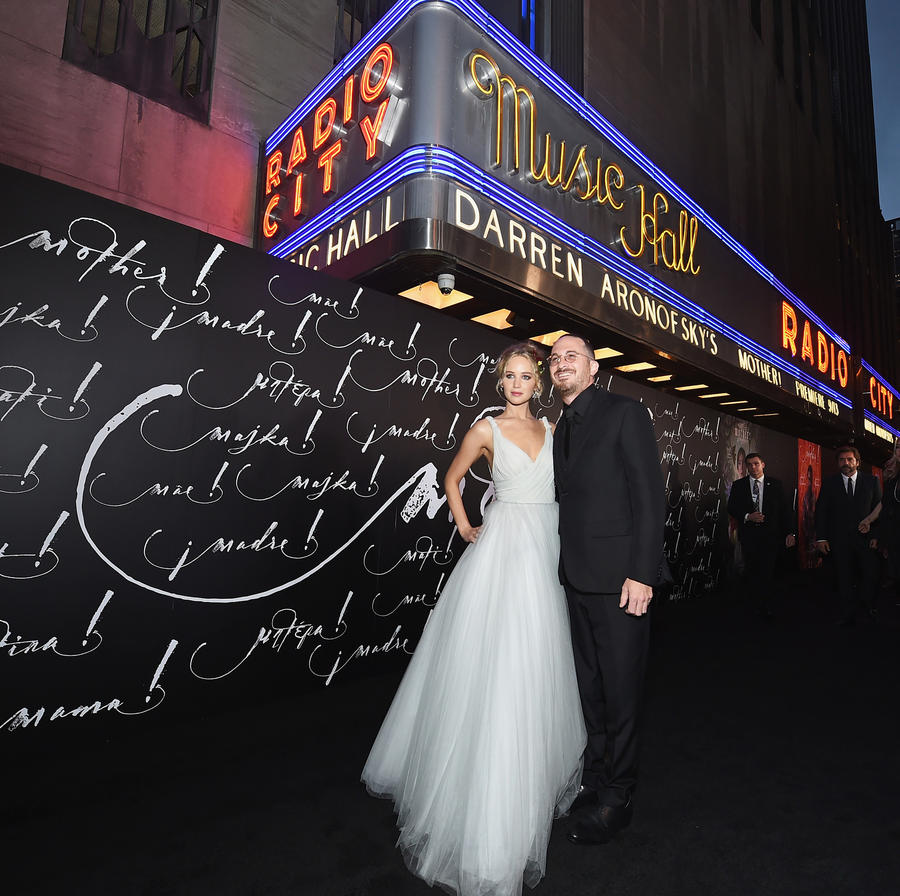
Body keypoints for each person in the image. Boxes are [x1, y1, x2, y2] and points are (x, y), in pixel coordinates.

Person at [362, 343, 586, 896]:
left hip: (547, 549)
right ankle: (488, 805)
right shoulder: (486, 429)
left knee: (538, 662)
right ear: (500, 381)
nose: (517, 383)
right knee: (498, 662)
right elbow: (451, 478)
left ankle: (530, 781)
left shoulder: (556, 431)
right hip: (503, 552)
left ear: (539, 382)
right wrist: (465, 527)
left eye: (526, 375)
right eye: (508, 375)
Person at [548, 333, 665, 846]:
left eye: (571, 356)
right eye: (554, 359)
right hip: (576, 579)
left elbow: (649, 495)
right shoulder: (559, 430)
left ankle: (619, 797)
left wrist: (642, 573)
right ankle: (595, 780)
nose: (560, 363)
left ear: (593, 368)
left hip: (622, 583)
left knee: (621, 693)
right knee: (591, 692)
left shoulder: (625, 412)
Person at [814, 445, 881, 626]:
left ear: (857, 462)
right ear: (838, 463)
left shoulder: (872, 482)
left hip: (866, 541)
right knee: (844, 578)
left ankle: (868, 608)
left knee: (869, 576)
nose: (846, 463)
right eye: (842, 460)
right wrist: (821, 538)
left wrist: (876, 536)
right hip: (839, 541)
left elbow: (879, 511)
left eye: (850, 459)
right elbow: (821, 512)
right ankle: (847, 614)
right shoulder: (829, 483)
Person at [726, 452, 796, 618]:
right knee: (752, 571)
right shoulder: (739, 485)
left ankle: (767, 606)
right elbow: (732, 508)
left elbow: (786, 511)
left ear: (763, 464)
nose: (753, 467)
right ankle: (755, 606)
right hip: (749, 537)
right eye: (749, 464)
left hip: (772, 537)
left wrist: (790, 533)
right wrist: (747, 516)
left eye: (756, 463)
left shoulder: (776, 484)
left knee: (769, 572)